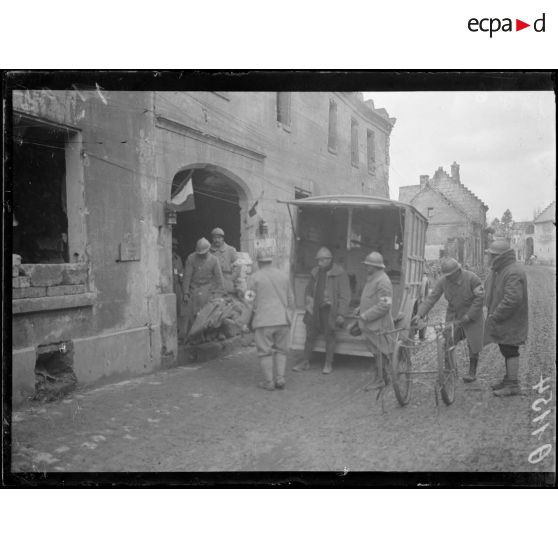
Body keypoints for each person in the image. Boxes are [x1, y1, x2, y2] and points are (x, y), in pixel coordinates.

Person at [412, 257, 485, 383]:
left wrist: (469, 316)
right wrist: (420, 314)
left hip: (473, 317)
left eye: (450, 275)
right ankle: (449, 370)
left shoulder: (472, 279)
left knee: (473, 344)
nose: (448, 278)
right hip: (454, 316)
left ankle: (472, 373)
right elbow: (431, 299)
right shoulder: (443, 282)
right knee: (448, 341)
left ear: (458, 270)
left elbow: (480, 299)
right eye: (446, 275)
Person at [292, 247, 350, 374]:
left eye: (322, 260)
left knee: (330, 336)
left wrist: (341, 313)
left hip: (329, 310)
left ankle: (328, 363)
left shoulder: (340, 273)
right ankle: (305, 362)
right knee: (309, 336)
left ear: (329, 260)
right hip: (314, 309)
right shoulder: (315, 272)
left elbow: (345, 295)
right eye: (318, 260)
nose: (319, 263)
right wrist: (308, 302)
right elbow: (308, 289)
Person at [483, 239, 528, 396]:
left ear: (499, 257)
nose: (489, 258)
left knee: (510, 350)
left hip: (511, 320)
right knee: (506, 348)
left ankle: (513, 385)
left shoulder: (512, 271)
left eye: (491, 255)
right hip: (507, 320)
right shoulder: (504, 269)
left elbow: (513, 299)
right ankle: (508, 380)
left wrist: (496, 315)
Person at [246, 247, 294, 391]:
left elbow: (248, 302)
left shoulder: (254, 278)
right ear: (271, 260)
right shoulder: (284, 276)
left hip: (263, 321)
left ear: (258, 262)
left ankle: (269, 382)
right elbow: (291, 299)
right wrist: (289, 316)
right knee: (281, 350)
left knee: (265, 352)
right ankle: (280, 379)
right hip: (282, 320)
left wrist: (243, 322)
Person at [357, 252, 395, 389]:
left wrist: (365, 316)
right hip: (372, 324)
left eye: (369, 265)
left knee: (380, 352)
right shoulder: (373, 279)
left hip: (379, 325)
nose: (366, 267)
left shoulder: (383, 281)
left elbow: (385, 305)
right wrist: (359, 309)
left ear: (375, 266)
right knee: (376, 352)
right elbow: (371, 299)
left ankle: (381, 380)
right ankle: (382, 378)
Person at [183, 237, 225, 333]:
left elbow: (219, 277)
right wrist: (185, 292)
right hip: (194, 289)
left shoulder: (214, 260)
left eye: (204, 253)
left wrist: (221, 292)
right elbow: (187, 276)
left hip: (208, 289)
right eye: (200, 254)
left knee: (207, 314)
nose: (202, 256)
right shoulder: (191, 258)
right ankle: (193, 336)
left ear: (208, 250)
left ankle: (207, 334)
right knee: (193, 315)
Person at [210, 227, 238, 295]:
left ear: (223, 238)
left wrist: (231, 279)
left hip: (228, 282)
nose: (216, 240)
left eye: (219, 238)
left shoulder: (231, 250)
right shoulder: (209, 251)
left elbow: (237, 267)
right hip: (213, 283)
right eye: (214, 238)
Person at [172, 238, 187, 340]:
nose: (174, 247)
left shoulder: (178, 259)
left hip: (177, 286)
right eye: (173, 245)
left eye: (176, 245)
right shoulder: (166, 257)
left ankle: (177, 330)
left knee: (178, 308)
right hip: (169, 286)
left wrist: (182, 277)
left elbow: (181, 271)